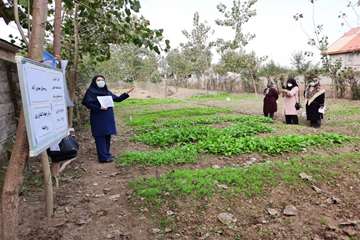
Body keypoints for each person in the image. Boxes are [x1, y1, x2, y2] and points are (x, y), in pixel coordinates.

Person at [82, 75, 134, 163]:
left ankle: (106, 154)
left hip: (107, 117)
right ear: (94, 81)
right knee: (99, 136)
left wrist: (126, 93)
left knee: (107, 135)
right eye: (98, 80)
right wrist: (99, 107)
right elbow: (86, 103)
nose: (101, 81)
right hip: (97, 116)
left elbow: (117, 99)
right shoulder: (90, 91)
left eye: (102, 80)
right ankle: (103, 157)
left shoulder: (106, 91)